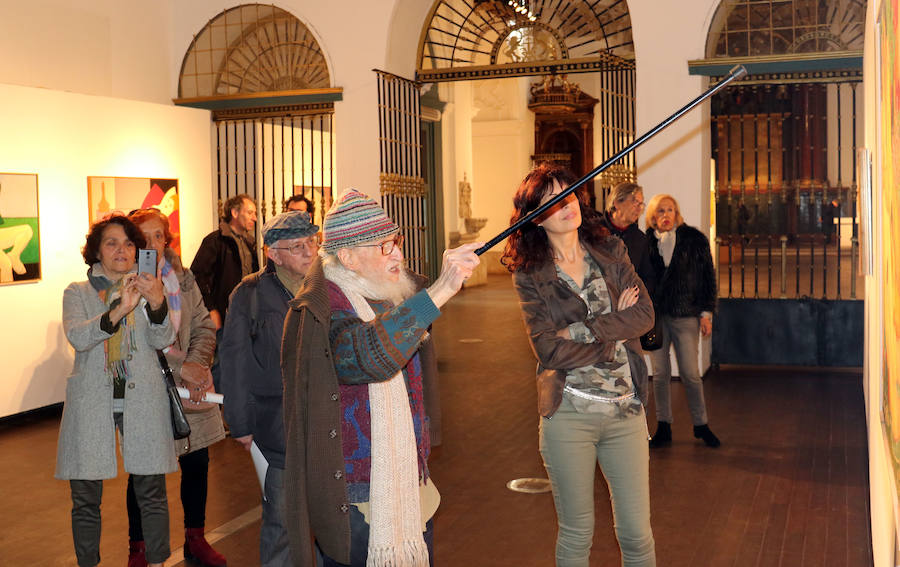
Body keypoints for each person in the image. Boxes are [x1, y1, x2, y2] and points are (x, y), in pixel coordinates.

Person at [281, 188, 481, 566]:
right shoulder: (323, 306)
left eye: (397, 241)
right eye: (384, 246)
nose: (399, 255)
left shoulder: (389, 292)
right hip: (356, 493)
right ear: (348, 257)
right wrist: (440, 290)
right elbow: (367, 356)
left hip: (408, 476)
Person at [501, 164, 656, 567]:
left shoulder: (611, 251)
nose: (565, 204)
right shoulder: (531, 274)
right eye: (552, 200)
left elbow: (644, 317)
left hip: (626, 412)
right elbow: (548, 352)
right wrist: (611, 342)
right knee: (577, 534)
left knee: (637, 536)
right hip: (569, 415)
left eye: (568, 194)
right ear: (536, 216)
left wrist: (582, 331)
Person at [56, 215, 176, 567]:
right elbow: (79, 336)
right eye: (111, 243)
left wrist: (156, 303)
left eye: (128, 243)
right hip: (92, 401)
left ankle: (157, 562)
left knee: (152, 492)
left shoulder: (147, 285)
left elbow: (163, 338)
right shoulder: (77, 292)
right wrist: (119, 309)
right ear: (96, 250)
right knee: (85, 496)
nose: (121, 250)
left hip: (143, 398)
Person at [126, 208, 226, 567]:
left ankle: (195, 538)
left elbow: (202, 324)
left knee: (197, 462)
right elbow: (134, 341)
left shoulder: (182, 278)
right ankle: (138, 549)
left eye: (158, 236)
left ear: (167, 240)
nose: (152, 243)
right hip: (148, 389)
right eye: (143, 237)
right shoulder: (125, 283)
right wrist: (183, 367)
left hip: (190, 390)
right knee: (145, 471)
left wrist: (197, 364)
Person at [219, 210, 320, 566]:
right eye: (298, 246)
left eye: (312, 242)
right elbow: (234, 361)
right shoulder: (250, 294)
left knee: (329, 523)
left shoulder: (327, 286)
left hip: (327, 422)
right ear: (273, 254)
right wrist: (241, 424)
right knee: (283, 520)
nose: (309, 252)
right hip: (279, 425)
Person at [644, 194, 720, 448]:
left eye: (670, 210)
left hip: (686, 314)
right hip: (655, 318)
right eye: (660, 211)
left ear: (677, 214)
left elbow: (708, 278)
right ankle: (663, 426)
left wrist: (706, 314)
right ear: (653, 217)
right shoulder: (646, 243)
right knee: (660, 373)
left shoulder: (694, 240)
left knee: (690, 373)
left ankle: (701, 425)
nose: (666, 215)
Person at [190, 193, 258, 390]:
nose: (254, 217)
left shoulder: (249, 242)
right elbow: (197, 276)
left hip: (246, 315)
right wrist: (211, 308)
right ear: (235, 212)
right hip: (224, 313)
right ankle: (215, 406)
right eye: (250, 212)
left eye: (255, 213)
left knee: (241, 362)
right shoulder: (215, 241)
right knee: (221, 362)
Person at [598, 181, 655, 406]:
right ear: (617, 201)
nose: (639, 208)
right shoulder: (593, 231)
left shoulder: (640, 240)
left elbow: (647, 276)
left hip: (627, 313)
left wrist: (634, 297)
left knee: (628, 368)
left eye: (642, 204)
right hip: (597, 310)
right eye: (635, 202)